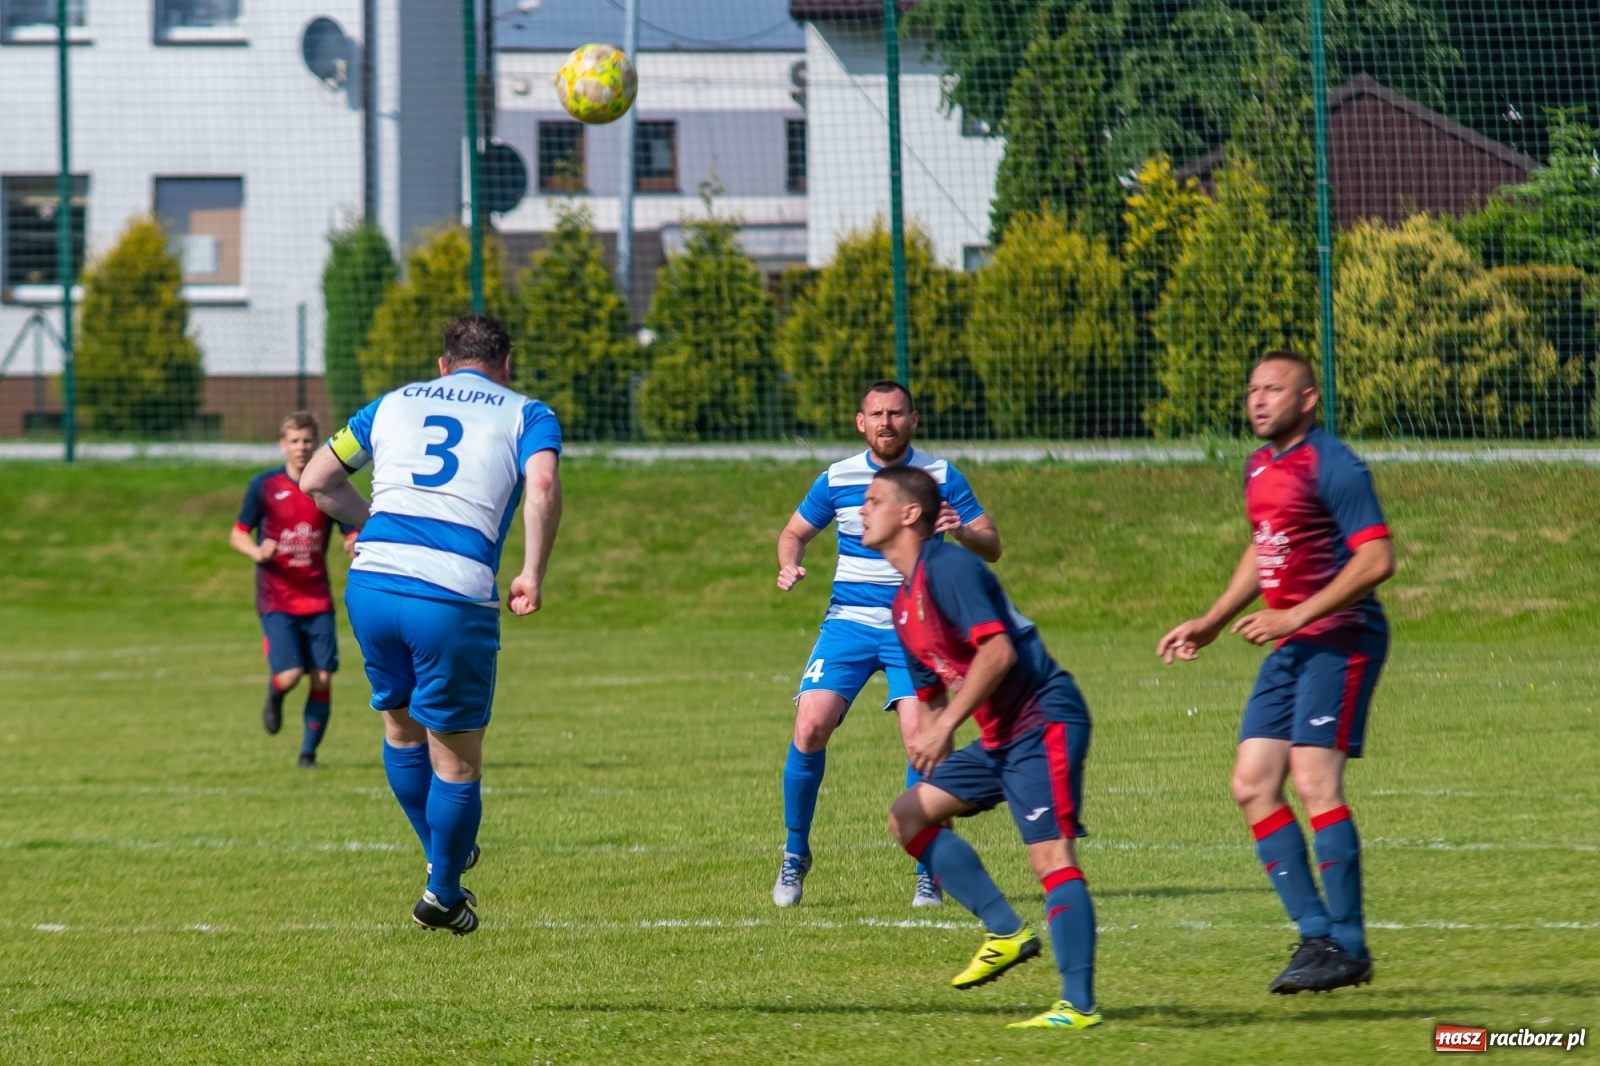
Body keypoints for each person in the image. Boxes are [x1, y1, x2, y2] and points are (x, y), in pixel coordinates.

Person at [300, 313, 562, 936]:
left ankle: (441, 854)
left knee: (399, 730)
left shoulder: (392, 403)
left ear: (443, 364)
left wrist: (374, 522)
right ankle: (443, 891)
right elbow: (543, 485)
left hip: (372, 583)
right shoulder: (527, 412)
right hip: (450, 594)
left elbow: (317, 479)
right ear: (505, 366)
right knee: (458, 763)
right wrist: (531, 571)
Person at [1157, 351, 1394, 995]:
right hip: (1292, 646)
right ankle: (1317, 936)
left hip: (1341, 639)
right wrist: (1211, 619)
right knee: (1252, 784)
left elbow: (1376, 559)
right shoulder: (1260, 464)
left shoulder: (1334, 463)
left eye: (1275, 389)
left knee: (1314, 780)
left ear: (1309, 399)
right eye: (1253, 388)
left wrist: (1294, 616)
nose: (1259, 400)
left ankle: (1348, 944)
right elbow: (1264, 546)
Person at [867, 464, 1101, 1032]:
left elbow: (997, 653)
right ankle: (1006, 931)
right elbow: (928, 690)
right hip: (998, 737)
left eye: (874, 501)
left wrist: (946, 723)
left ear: (910, 514)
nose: (861, 511)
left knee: (1050, 857)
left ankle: (1078, 1007)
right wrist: (930, 732)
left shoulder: (947, 566)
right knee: (908, 817)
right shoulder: (902, 603)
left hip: (1042, 719)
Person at [772, 381, 1000, 909]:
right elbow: (793, 532)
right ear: (860, 422)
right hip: (848, 623)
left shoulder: (941, 477)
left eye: (896, 414)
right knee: (809, 725)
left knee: (920, 738)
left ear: (913, 421)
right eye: (876, 414)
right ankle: (795, 852)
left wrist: (963, 533)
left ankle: (929, 865)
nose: (886, 422)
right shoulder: (837, 477)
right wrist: (789, 562)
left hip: (918, 627)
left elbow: (992, 543)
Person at [230, 411, 358, 768]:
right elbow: (238, 532)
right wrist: (257, 551)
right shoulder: (265, 486)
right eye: (295, 441)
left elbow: (351, 528)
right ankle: (275, 694)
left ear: (315, 443)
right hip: (278, 599)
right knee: (289, 675)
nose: (301, 448)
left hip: (317, 599)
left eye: (307, 441)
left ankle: (308, 755)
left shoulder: (326, 485)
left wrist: (353, 542)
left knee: (321, 676)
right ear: (283, 444)